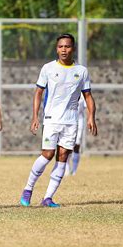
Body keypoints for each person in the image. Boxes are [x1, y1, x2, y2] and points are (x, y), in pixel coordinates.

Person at [20, 33, 98, 208]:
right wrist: (35, 116)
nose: (64, 50)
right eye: (61, 46)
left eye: (67, 46)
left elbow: (88, 96)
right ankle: (28, 189)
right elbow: (38, 93)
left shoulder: (81, 71)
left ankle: (48, 198)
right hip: (51, 119)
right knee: (47, 154)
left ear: (73, 48)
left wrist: (91, 116)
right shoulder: (47, 68)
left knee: (63, 157)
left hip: (71, 121)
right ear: (57, 49)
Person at [66, 95, 86, 176]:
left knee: (76, 145)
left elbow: (86, 106)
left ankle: (74, 170)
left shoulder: (83, 93)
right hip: (68, 122)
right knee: (66, 146)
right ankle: (66, 169)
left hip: (79, 122)